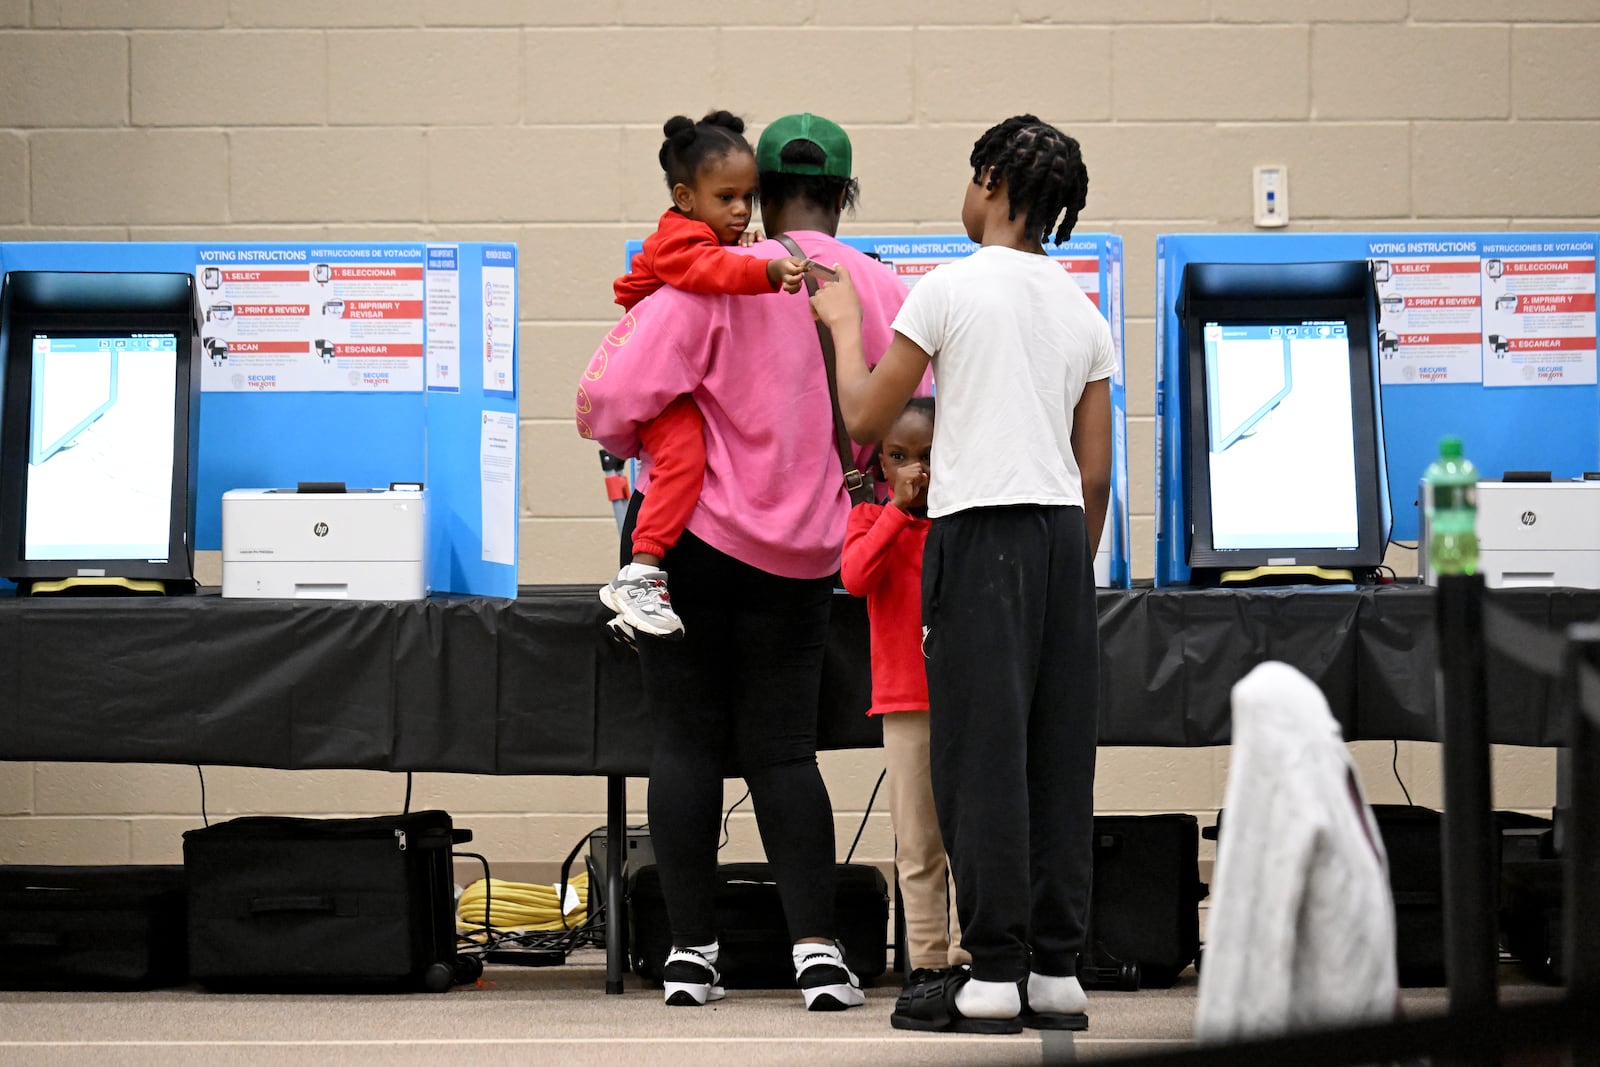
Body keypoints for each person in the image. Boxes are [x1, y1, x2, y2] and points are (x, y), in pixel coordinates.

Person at [576, 113, 911, 1011]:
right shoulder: (879, 290)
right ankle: (817, 954)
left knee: (684, 745)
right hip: (805, 556)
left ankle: (691, 954)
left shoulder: (704, 287)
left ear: (753, 195)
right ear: (845, 195)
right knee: (783, 751)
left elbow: (603, 405)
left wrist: (660, 430)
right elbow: (908, 414)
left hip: (692, 548)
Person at [810, 114, 1114, 1034]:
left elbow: (866, 417)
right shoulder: (1081, 309)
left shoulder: (945, 288)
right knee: (1057, 754)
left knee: (979, 758)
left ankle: (993, 970)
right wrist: (1067, 564)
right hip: (1065, 538)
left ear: (988, 181)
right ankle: (1058, 971)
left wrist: (838, 323)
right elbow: (1094, 470)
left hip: (979, 535)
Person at [601, 110, 808, 641]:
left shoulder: (703, 235)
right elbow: (706, 272)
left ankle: (636, 601)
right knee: (683, 458)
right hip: (659, 386)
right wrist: (763, 267)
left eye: (749, 197)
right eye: (726, 198)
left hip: (675, 378)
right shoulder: (679, 240)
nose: (741, 209)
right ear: (686, 197)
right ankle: (641, 573)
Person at [838, 397, 971, 1007]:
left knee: (970, 833)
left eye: (928, 456)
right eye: (900, 457)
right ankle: (928, 962)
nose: (916, 469)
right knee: (918, 842)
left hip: (967, 697)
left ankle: (973, 954)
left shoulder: (965, 524)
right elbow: (857, 576)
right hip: (906, 701)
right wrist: (896, 512)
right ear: (880, 466)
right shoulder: (869, 521)